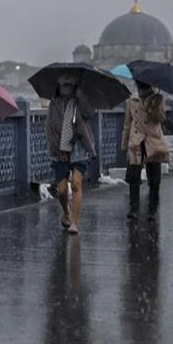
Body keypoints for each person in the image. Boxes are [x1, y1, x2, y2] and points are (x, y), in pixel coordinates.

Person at [47, 73, 96, 234]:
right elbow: (51, 128)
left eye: (69, 86)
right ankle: (66, 212)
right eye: (63, 86)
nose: (66, 89)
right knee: (61, 190)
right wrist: (60, 149)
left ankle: (75, 223)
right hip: (60, 149)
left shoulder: (80, 102)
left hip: (79, 147)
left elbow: (89, 114)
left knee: (76, 184)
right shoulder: (54, 104)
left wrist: (81, 97)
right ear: (59, 87)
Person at [121, 80, 169, 221]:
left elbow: (162, 118)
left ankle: (152, 209)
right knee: (133, 176)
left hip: (152, 141)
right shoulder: (132, 100)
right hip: (136, 141)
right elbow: (127, 124)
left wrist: (153, 107)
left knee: (154, 179)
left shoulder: (158, 99)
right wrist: (124, 144)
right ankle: (134, 208)